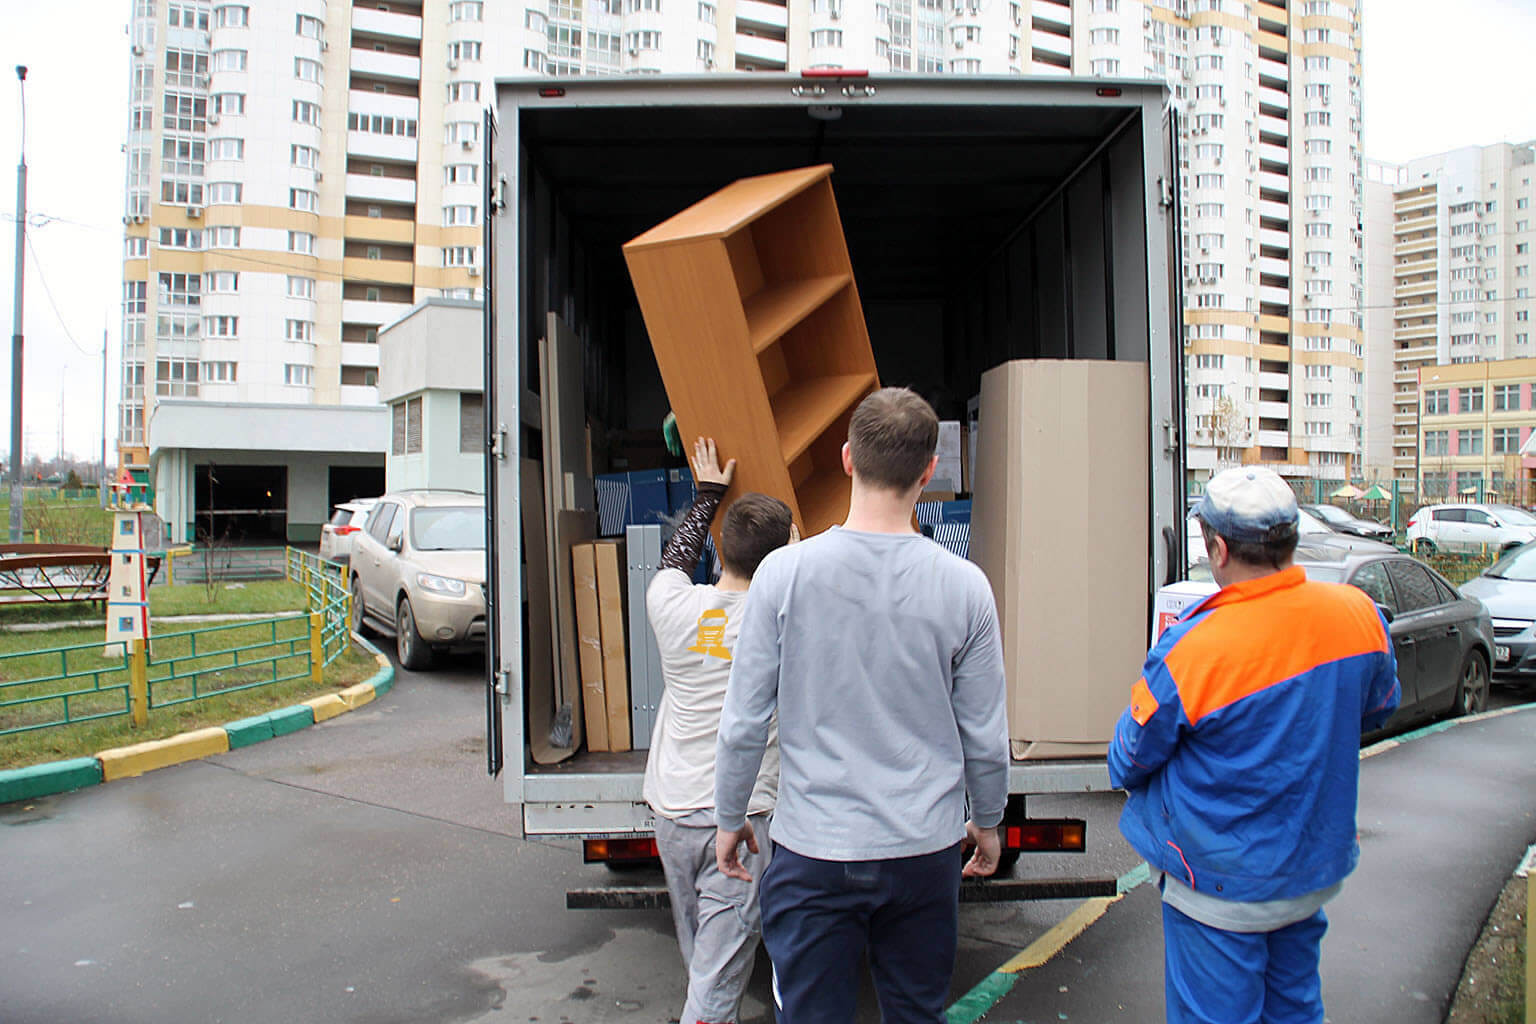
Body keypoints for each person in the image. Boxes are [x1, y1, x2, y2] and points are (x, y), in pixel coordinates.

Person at [713, 387, 1010, 1023]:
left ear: (847, 459)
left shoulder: (783, 576)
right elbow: (984, 733)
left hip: (814, 850)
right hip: (923, 850)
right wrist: (987, 821)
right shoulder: (965, 587)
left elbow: (743, 720)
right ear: (929, 472)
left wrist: (730, 814)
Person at [1108, 466, 1401, 1024]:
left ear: (1217, 548)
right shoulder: (1356, 615)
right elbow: (1381, 705)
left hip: (1218, 886)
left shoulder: (1194, 647)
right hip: (1308, 873)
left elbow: (1129, 758)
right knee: (1295, 1010)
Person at [644, 436, 795, 1024]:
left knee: (704, 960)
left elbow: (673, 561)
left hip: (674, 814)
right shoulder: (782, 620)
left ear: (720, 549)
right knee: (714, 977)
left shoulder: (671, 607)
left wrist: (707, 495)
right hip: (742, 820)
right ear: (782, 559)